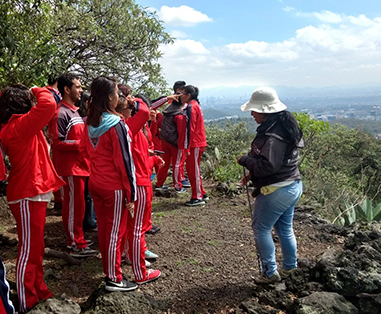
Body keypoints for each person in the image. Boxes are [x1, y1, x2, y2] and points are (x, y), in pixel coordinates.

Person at [0, 85, 65, 312]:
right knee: (29, 248)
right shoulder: (20, 125)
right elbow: (48, 104)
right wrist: (38, 89)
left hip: (30, 192)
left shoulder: (18, 125)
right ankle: (27, 299)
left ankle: (38, 288)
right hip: (27, 193)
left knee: (36, 246)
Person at [237, 87, 303, 284]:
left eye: (254, 110)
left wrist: (245, 160)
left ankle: (269, 272)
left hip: (276, 190)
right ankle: (290, 268)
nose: (252, 114)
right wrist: (251, 175)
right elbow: (276, 162)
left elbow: (269, 166)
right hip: (292, 185)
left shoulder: (273, 136)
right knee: (284, 228)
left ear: (265, 112)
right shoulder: (283, 127)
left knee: (261, 228)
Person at [79, 76, 137, 291]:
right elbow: (124, 161)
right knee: (116, 232)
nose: (118, 97)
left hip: (95, 182)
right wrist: (131, 194)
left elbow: (84, 150)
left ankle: (109, 269)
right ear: (109, 97)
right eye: (116, 93)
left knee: (105, 229)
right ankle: (114, 277)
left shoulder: (90, 121)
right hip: (114, 187)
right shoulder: (116, 124)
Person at [116, 86, 161, 284]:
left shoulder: (129, 128)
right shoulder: (127, 126)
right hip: (139, 183)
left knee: (132, 228)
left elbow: (138, 156)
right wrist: (135, 101)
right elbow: (143, 111)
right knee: (137, 229)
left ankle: (131, 257)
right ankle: (140, 273)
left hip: (138, 179)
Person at [50, 72, 97, 257]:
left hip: (81, 167)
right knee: (72, 207)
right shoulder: (60, 113)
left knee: (80, 207)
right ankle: (74, 243)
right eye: (77, 86)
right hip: (71, 169)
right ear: (67, 89)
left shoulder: (74, 111)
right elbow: (57, 142)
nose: (81, 90)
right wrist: (82, 144)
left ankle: (79, 238)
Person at [181, 85, 208, 206]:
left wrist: (186, 146)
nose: (180, 95)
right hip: (197, 142)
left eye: (182, 93)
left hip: (195, 143)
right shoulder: (195, 105)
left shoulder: (191, 107)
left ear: (188, 95)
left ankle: (197, 196)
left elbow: (189, 129)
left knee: (193, 170)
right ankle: (201, 192)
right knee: (193, 169)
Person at [77, 91, 97, 232]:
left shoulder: (81, 118)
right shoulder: (86, 120)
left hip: (86, 161)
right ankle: (89, 221)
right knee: (88, 195)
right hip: (87, 163)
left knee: (87, 195)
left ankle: (89, 220)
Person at [46, 74, 63, 210]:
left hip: (51, 132)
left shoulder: (48, 93)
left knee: (54, 166)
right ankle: (58, 198)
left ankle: (58, 198)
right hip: (53, 132)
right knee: (55, 167)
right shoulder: (52, 94)